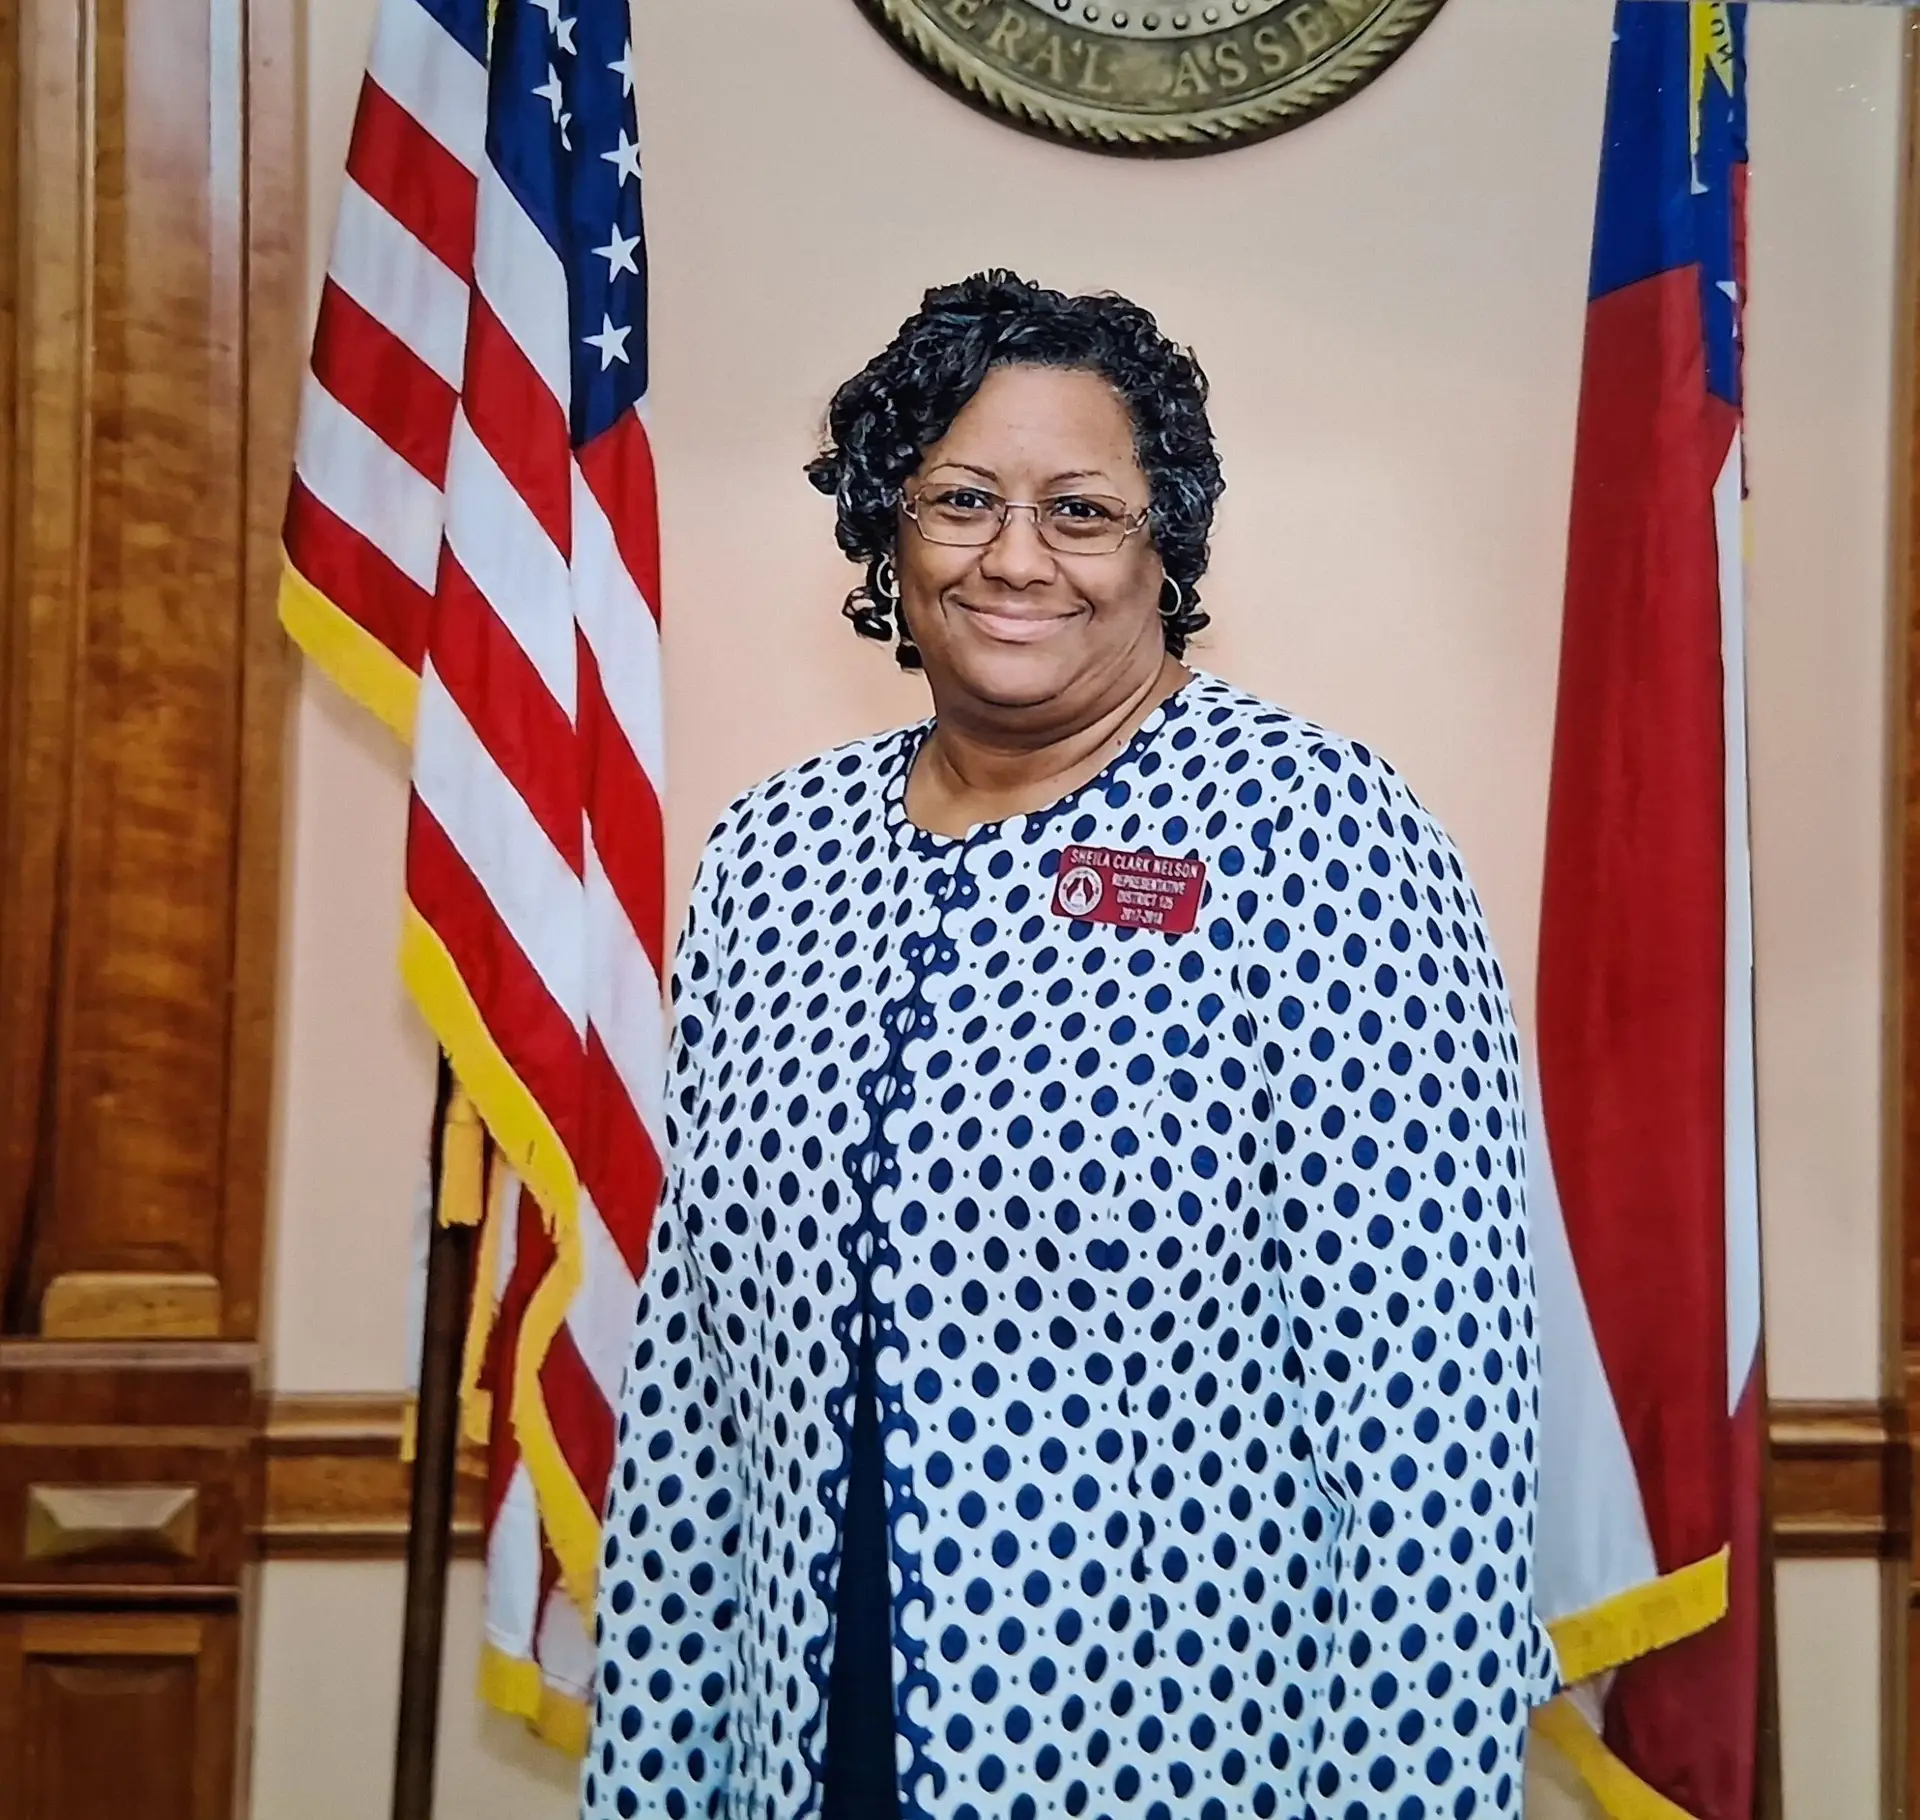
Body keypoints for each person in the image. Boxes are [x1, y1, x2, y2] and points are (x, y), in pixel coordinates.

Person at [581, 270, 1557, 1820]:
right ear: (886, 527)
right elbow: (696, 1407)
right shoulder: (771, 857)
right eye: (961, 498)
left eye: (1082, 510)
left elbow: (1434, 1446)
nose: (1017, 558)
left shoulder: (1318, 836)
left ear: (1164, 543)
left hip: (1167, 1761)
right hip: (803, 1753)